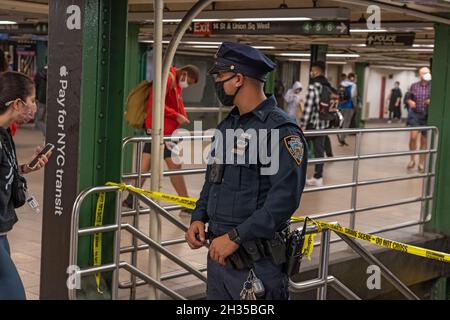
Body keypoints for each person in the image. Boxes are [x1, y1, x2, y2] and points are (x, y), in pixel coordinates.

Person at [185, 42, 307, 300]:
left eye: (220, 76)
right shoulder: (228, 126)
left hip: (257, 265)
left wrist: (236, 237)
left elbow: (284, 200)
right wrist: (199, 216)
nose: (217, 83)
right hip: (220, 260)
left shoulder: (281, 131)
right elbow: (213, 179)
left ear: (238, 79)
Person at [123, 65, 199, 216]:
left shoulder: (176, 82)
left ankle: (131, 198)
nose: (187, 85)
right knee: (175, 166)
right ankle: (185, 203)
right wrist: (176, 116)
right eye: (188, 81)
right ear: (183, 73)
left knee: (145, 164)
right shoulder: (168, 79)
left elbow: (176, 102)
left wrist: (181, 114)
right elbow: (156, 104)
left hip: (162, 130)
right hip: (162, 132)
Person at [0, 71, 51, 299]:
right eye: (32, 101)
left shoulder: (4, 134)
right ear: (18, 103)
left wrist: (26, 169)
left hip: (2, 232)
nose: (34, 106)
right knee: (14, 294)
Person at [300, 61, 333, 187]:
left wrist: (302, 124)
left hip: (312, 125)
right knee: (319, 151)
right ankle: (318, 177)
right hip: (323, 124)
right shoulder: (328, 87)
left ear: (317, 71)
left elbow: (308, 108)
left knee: (299, 149)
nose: (311, 73)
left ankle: (299, 176)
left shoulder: (313, 87)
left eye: (312, 70)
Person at [406, 67, 432, 173]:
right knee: (413, 137)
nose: (426, 74)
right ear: (420, 74)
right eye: (423, 73)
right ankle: (412, 159)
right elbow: (407, 97)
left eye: (427, 72)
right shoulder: (414, 86)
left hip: (427, 116)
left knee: (423, 141)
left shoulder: (433, 86)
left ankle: (421, 163)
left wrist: (431, 100)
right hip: (415, 115)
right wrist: (409, 101)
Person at [337, 72, 357, 146]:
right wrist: (355, 107)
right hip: (349, 106)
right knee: (346, 123)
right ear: (352, 77)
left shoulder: (342, 84)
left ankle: (340, 136)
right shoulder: (353, 85)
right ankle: (342, 138)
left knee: (341, 122)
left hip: (341, 106)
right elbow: (353, 96)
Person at [34, 65, 47, 136]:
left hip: (41, 99)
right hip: (50, 100)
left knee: (38, 120)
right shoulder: (54, 73)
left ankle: (47, 134)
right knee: (43, 120)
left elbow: (36, 86)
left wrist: (35, 98)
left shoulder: (39, 73)